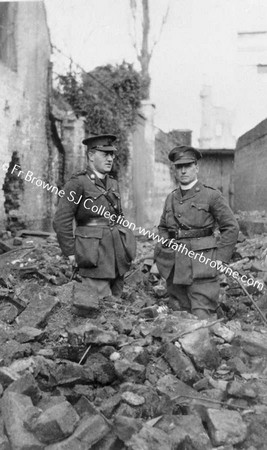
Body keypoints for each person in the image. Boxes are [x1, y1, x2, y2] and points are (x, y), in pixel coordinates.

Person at [154, 145, 239, 319]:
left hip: (203, 267)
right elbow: (163, 228)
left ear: (196, 168)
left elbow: (231, 227)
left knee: (202, 317)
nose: (183, 170)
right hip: (176, 268)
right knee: (179, 315)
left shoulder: (211, 196)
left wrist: (220, 259)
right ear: (175, 170)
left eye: (188, 165)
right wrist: (163, 251)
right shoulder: (171, 198)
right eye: (179, 167)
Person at [53, 134, 136, 308]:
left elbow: (119, 218)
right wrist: (70, 253)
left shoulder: (113, 184)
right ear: (91, 156)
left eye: (112, 154)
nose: (110, 158)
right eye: (105, 154)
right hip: (93, 254)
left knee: (117, 306)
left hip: (116, 255)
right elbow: (61, 221)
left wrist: (127, 246)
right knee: (100, 307)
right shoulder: (77, 184)